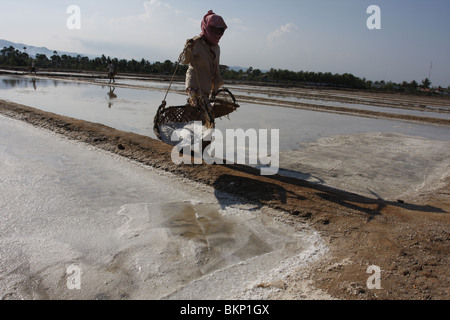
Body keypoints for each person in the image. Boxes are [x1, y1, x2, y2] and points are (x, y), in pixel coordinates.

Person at [179, 10, 227, 128]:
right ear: (206, 27)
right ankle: (202, 137)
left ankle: (189, 134)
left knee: (198, 113)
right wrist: (188, 48)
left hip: (206, 87)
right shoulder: (195, 42)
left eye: (219, 30)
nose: (217, 32)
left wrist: (215, 89)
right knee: (207, 112)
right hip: (193, 84)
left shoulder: (216, 48)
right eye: (214, 29)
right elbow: (184, 61)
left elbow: (215, 69)